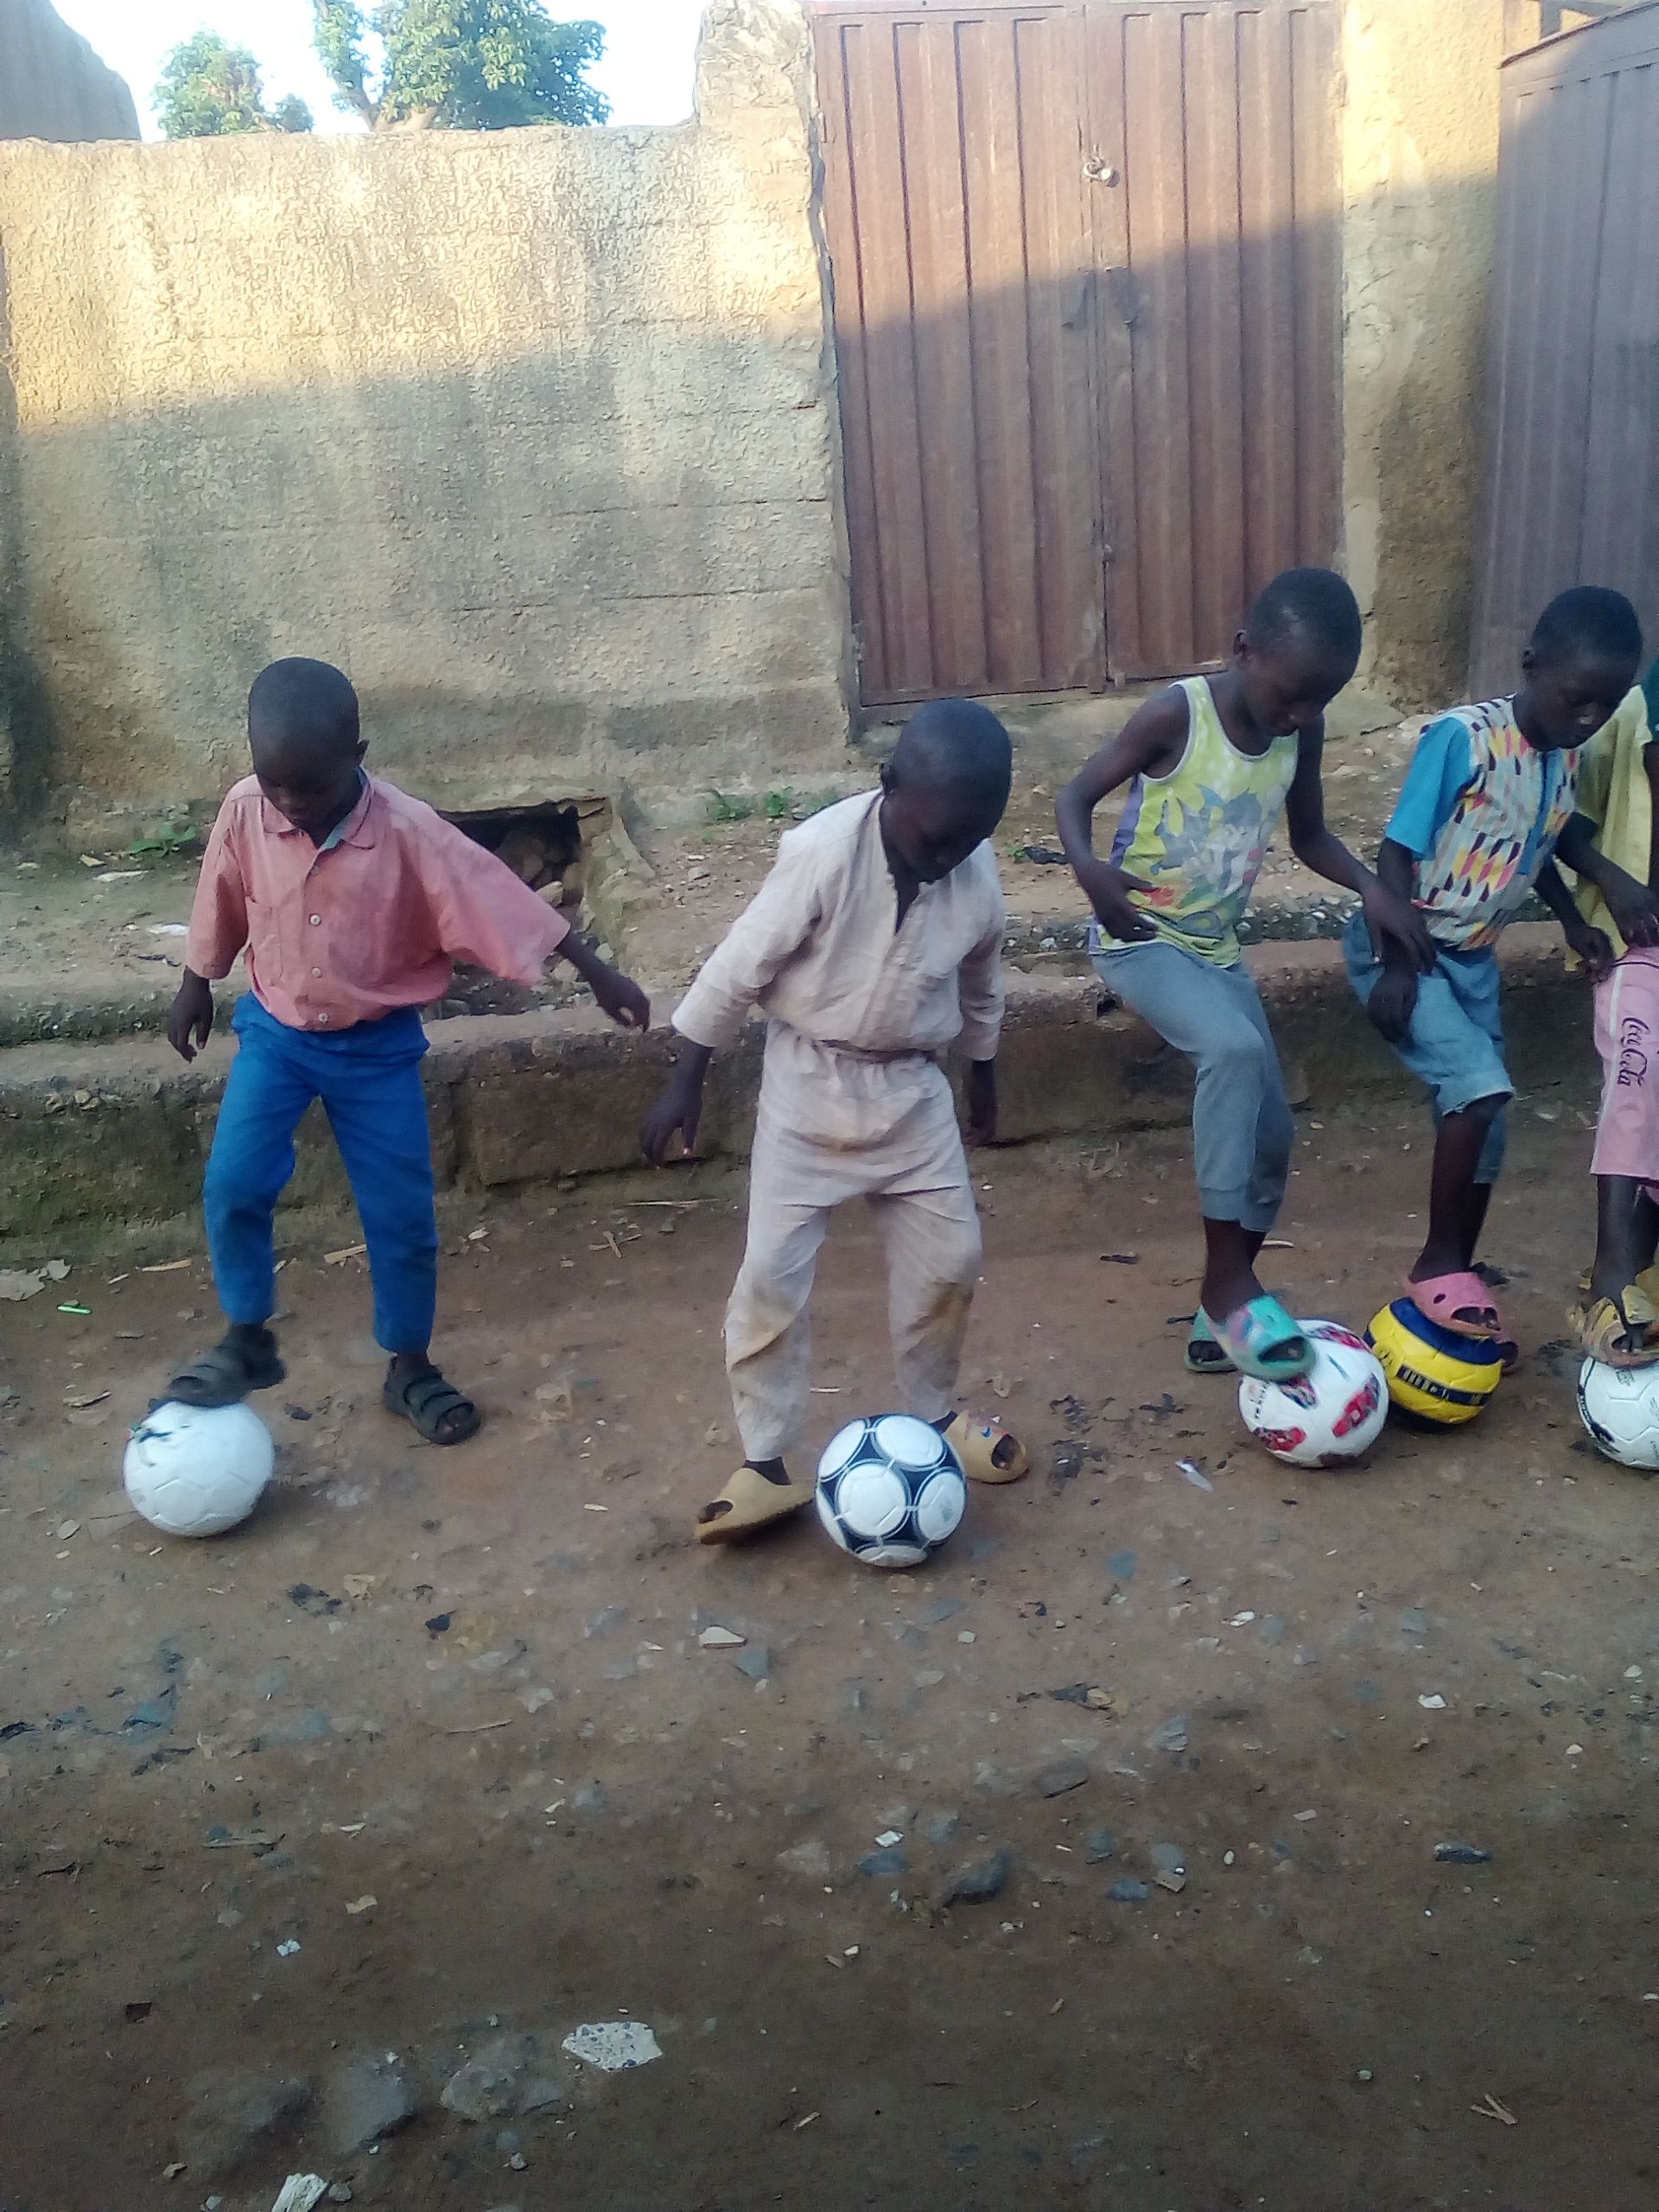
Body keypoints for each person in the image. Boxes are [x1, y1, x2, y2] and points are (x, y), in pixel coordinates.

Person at [162, 657, 650, 1442]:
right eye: (275, 784)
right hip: (277, 1036)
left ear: (357, 757)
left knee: (400, 1215)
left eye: (310, 788)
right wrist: (195, 981)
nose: (291, 804)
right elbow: (219, 891)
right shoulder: (247, 809)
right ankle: (247, 1337)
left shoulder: (407, 829)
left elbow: (495, 894)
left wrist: (598, 973)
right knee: (233, 1184)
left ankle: (410, 1366)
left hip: (376, 1049)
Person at [639, 698, 1027, 1544]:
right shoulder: (820, 853)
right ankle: (766, 1461)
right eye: (935, 841)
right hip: (807, 1086)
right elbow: (740, 965)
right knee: (770, 1278)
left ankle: (934, 1416)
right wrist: (686, 1079)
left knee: (952, 1259)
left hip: (912, 1092)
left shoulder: (974, 870)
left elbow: (983, 983)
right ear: (887, 785)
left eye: (968, 842)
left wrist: (983, 1077)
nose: (947, 860)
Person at [1054, 568, 1433, 1382]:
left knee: (1270, 1136)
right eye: (1291, 695)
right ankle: (1229, 1284)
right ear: (1243, 651)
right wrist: (1088, 871)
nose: (1301, 714)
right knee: (1231, 1052)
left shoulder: (1301, 730)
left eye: (1321, 700)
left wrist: (1373, 889)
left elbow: (1310, 835)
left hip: (1215, 952)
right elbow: (1073, 796)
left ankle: (1218, 1316)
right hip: (1139, 937)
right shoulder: (1176, 715)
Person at [1344, 586, 1643, 1358]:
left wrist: (1574, 919)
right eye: (1577, 699)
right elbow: (1397, 851)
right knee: (1477, 1088)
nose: (1590, 718)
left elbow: (1539, 845)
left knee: (1492, 1125)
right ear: (1531, 665)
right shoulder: (1462, 739)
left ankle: (1460, 1275)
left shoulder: (1564, 755)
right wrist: (1395, 964)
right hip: (1407, 946)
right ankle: (1436, 1264)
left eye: (1608, 705)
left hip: (1472, 960)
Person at [1539, 660, 1659, 1363]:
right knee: (1637, 1078)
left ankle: (1636, 1263)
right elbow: (1563, 828)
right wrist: (1615, 882)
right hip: (1634, 942)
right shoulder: (1629, 714)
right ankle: (1612, 1269)